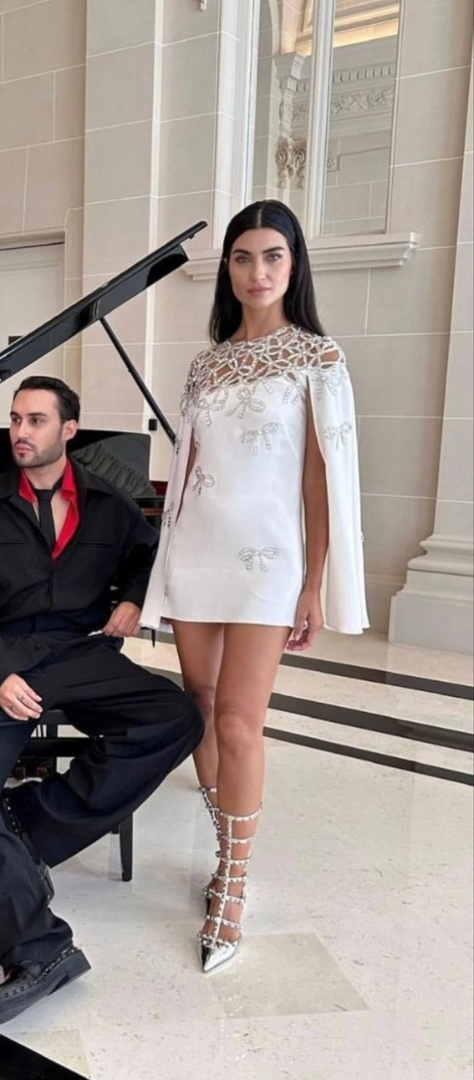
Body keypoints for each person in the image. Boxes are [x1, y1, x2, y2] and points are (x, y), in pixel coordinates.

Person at [141, 199, 369, 974]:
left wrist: (314, 583)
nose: (257, 271)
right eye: (243, 256)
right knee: (200, 707)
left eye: (273, 256)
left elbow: (319, 479)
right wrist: (162, 570)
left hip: (270, 563)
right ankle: (224, 841)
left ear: (294, 265)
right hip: (197, 552)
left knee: (240, 722)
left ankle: (233, 885)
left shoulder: (317, 357)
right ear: (229, 269)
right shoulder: (206, 364)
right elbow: (187, 472)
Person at [0, 375, 204, 1024]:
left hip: (77, 654)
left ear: (69, 430)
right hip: (8, 659)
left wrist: (135, 597)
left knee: (176, 717)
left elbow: (150, 555)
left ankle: (29, 823)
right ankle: (43, 951)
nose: (20, 432)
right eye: (15, 419)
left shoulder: (110, 504)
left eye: (35, 420)